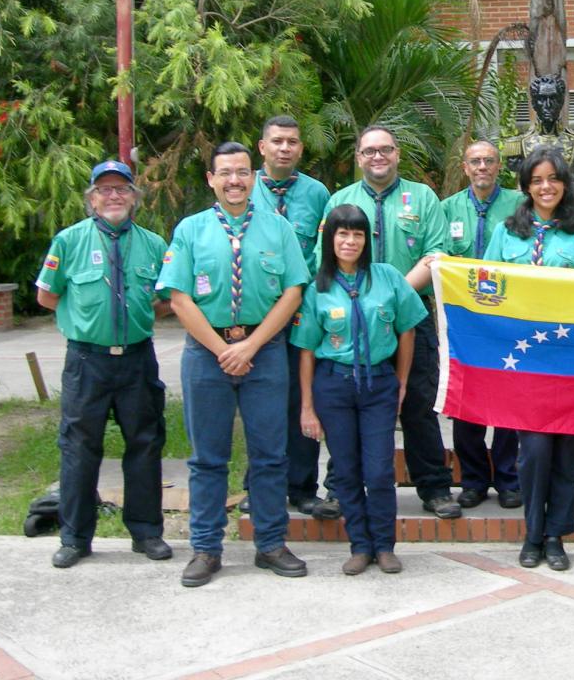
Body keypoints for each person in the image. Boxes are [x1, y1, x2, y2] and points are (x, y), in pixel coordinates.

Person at [157, 142, 310, 587]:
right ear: (211, 179)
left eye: (242, 172)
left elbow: (293, 292)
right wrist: (224, 350)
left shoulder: (277, 228)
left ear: (254, 177)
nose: (235, 181)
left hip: (265, 351)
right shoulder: (191, 230)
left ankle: (271, 543)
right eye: (225, 173)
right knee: (207, 459)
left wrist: (250, 347)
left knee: (270, 455)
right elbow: (179, 298)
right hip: (207, 355)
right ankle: (206, 549)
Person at [35, 160, 172, 569]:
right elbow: (47, 296)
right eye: (105, 190)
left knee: (145, 444)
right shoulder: (69, 241)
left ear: (134, 197)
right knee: (79, 448)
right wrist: (85, 320)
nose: (114, 196)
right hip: (87, 361)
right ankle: (75, 538)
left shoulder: (153, 244)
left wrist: (135, 320)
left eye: (122, 189)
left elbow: (166, 299)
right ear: (92, 199)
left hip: (137, 360)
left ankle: (146, 533)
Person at [318, 125, 459, 519]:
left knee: (418, 404)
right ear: (358, 157)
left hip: (410, 317)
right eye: (369, 151)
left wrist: (391, 298)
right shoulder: (340, 201)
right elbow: (324, 259)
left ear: (397, 153)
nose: (377, 157)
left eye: (385, 149)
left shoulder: (423, 197)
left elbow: (436, 255)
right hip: (352, 321)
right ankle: (339, 489)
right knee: (349, 406)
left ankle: (434, 488)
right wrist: (366, 303)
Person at [484, 148, 574, 571]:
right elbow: (486, 288)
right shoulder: (507, 233)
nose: (546, 187)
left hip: (568, 359)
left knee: (566, 450)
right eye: (537, 180)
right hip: (524, 360)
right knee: (534, 451)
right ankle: (532, 533)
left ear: (565, 183)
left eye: (553, 178)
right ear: (526, 186)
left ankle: (556, 536)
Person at [293, 205, 427, 575]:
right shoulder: (317, 289)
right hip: (334, 386)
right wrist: (307, 406)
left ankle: (384, 545)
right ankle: (360, 546)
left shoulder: (387, 278)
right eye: (342, 234)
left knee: (380, 470)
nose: (350, 241)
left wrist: (401, 381)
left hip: (378, 384)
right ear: (330, 239)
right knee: (347, 470)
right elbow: (306, 351)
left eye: (357, 234)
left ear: (367, 239)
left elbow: (407, 329)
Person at [241, 114, 332, 518]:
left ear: (300, 148)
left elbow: (324, 252)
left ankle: (302, 487)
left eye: (292, 142)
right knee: (262, 406)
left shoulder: (317, 194)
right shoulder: (244, 189)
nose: (284, 148)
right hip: (258, 316)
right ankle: (259, 487)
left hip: (303, 315)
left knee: (303, 399)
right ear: (262, 147)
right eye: (277, 141)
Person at [440, 141, 525, 510]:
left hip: (507, 319)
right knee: (466, 400)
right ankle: (473, 480)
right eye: (475, 161)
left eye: (489, 161)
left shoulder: (519, 206)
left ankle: (508, 479)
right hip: (464, 322)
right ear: (465, 167)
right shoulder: (447, 209)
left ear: (498, 165)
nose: (482, 167)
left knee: (507, 400)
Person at [499, 74, 574, 187]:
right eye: (542, 99)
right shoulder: (518, 145)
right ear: (534, 103)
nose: (548, 105)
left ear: (561, 102)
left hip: (570, 196)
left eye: (553, 98)